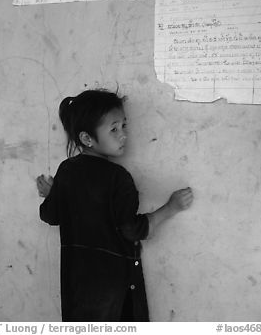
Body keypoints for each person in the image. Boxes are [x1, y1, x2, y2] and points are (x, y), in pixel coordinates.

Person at [37, 89, 194, 322]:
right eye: (114, 129)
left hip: (77, 286)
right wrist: (171, 207)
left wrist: (53, 195)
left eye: (124, 126)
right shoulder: (118, 178)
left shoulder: (66, 171)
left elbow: (51, 215)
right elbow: (132, 230)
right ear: (87, 139)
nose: (123, 135)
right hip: (115, 290)